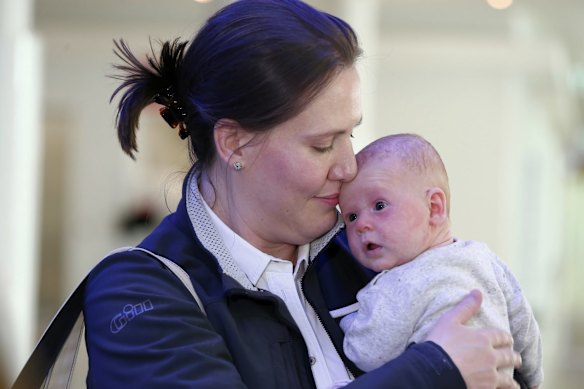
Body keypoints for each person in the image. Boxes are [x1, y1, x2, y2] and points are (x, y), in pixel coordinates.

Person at [83, 1, 523, 388]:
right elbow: (454, 364)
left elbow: (494, 358)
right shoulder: (138, 294)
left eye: (350, 134)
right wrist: (433, 370)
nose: (350, 166)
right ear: (235, 143)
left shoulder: (364, 249)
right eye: (321, 144)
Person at [338, 133, 543, 389]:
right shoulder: (484, 258)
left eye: (379, 205)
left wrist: (351, 320)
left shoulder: (396, 284)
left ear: (434, 207)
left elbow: (366, 353)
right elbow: (525, 327)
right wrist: (533, 379)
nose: (362, 225)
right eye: (351, 216)